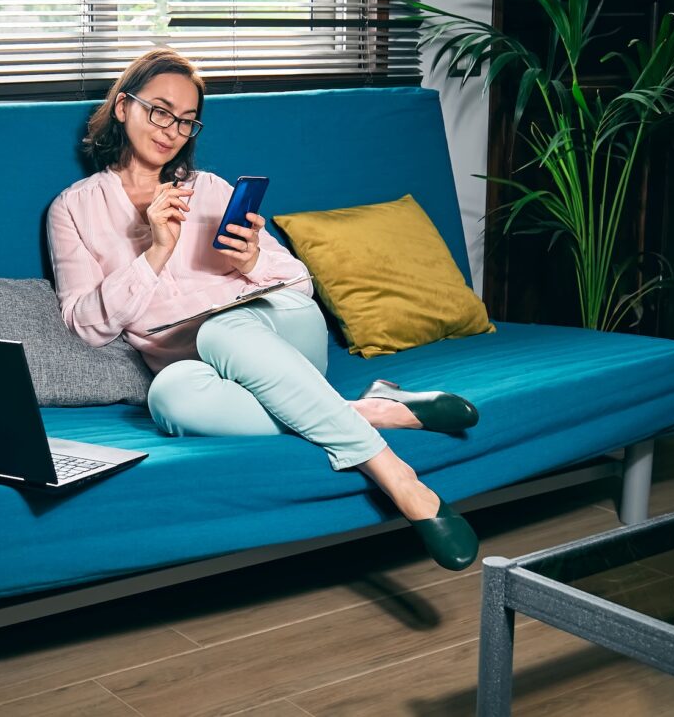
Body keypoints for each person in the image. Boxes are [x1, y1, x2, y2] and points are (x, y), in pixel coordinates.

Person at [46, 48, 480, 571]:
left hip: (280, 335)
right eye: (160, 111)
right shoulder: (73, 208)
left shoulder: (211, 190)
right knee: (167, 400)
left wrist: (252, 259)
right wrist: (155, 251)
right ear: (123, 107)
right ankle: (372, 411)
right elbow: (85, 325)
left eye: (186, 121)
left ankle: (397, 477)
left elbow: (298, 284)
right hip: (203, 372)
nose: (170, 130)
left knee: (221, 329)